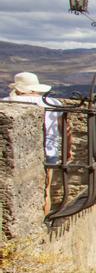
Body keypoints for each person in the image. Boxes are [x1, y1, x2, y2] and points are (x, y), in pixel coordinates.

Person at [3, 72, 65, 214]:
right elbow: (65, 128)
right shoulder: (53, 103)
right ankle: (43, 220)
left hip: (18, 154)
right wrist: (68, 151)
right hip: (50, 150)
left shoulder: (7, 102)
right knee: (46, 190)